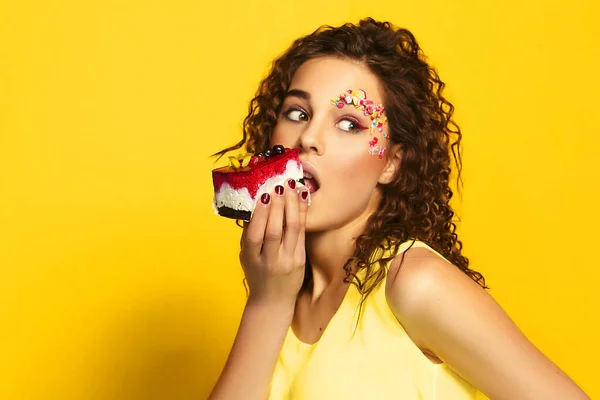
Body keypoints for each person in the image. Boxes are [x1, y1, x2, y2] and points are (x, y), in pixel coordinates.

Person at [209, 18, 589, 400]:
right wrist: (267, 304)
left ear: (391, 163)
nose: (308, 137)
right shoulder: (281, 289)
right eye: (297, 113)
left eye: (348, 123)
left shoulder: (415, 283)